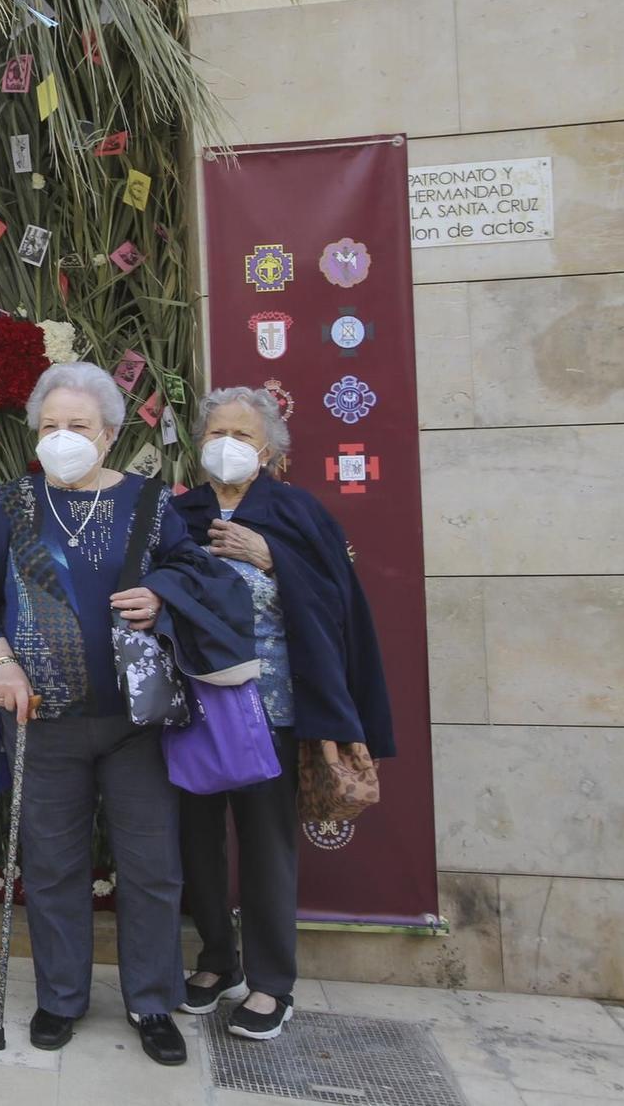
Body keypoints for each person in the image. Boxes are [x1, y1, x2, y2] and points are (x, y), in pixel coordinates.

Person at [0, 362, 248, 1066]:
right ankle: (60, 996)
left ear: (110, 434)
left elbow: (193, 574)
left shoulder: (152, 502)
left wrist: (163, 600)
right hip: (42, 717)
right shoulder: (11, 503)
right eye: (50, 426)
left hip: (135, 722)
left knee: (150, 865)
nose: (62, 438)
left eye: (78, 426)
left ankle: (152, 999)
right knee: (53, 867)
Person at [174, 386, 397, 1040]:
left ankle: (272, 983)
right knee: (197, 838)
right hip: (191, 708)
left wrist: (272, 558)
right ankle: (218, 958)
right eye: (217, 431)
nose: (227, 444)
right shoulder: (179, 511)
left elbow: (338, 601)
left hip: (268, 709)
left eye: (242, 435)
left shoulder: (297, 512)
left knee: (267, 843)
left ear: (267, 448)